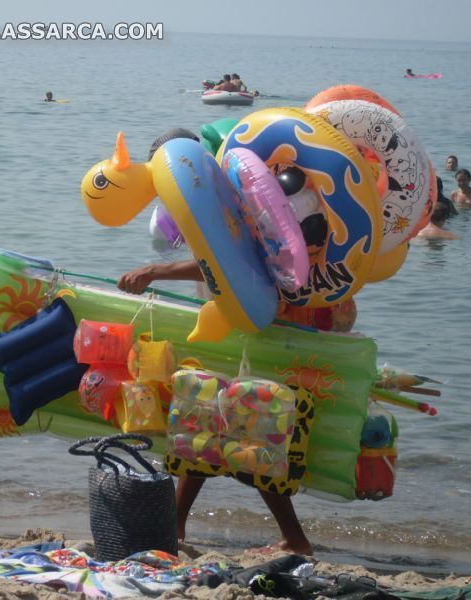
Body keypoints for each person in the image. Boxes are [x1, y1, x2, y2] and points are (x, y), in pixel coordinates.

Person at [117, 129, 314, 556]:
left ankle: (294, 539)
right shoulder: (203, 193)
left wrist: (153, 270)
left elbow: (222, 263)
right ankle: (175, 527)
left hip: (248, 326)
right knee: (205, 416)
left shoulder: (218, 193)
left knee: (245, 423)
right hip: (228, 323)